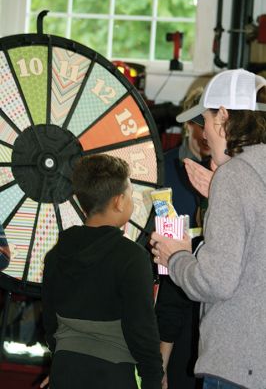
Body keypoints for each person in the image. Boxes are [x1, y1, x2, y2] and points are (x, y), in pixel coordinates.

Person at [150, 68, 266, 389]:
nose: (203, 135)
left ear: (224, 116)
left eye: (205, 121)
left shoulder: (233, 177)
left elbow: (215, 282)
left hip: (235, 365)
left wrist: (176, 256)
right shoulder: (252, 172)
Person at [42, 154, 163, 389]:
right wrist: (153, 380)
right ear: (118, 202)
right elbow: (142, 331)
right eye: (130, 194)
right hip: (112, 375)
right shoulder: (131, 257)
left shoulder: (55, 256)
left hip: (64, 371)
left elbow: (50, 325)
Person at [155, 87, 212, 389]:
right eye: (201, 124)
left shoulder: (226, 174)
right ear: (189, 124)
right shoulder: (164, 169)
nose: (207, 136)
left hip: (208, 298)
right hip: (169, 292)